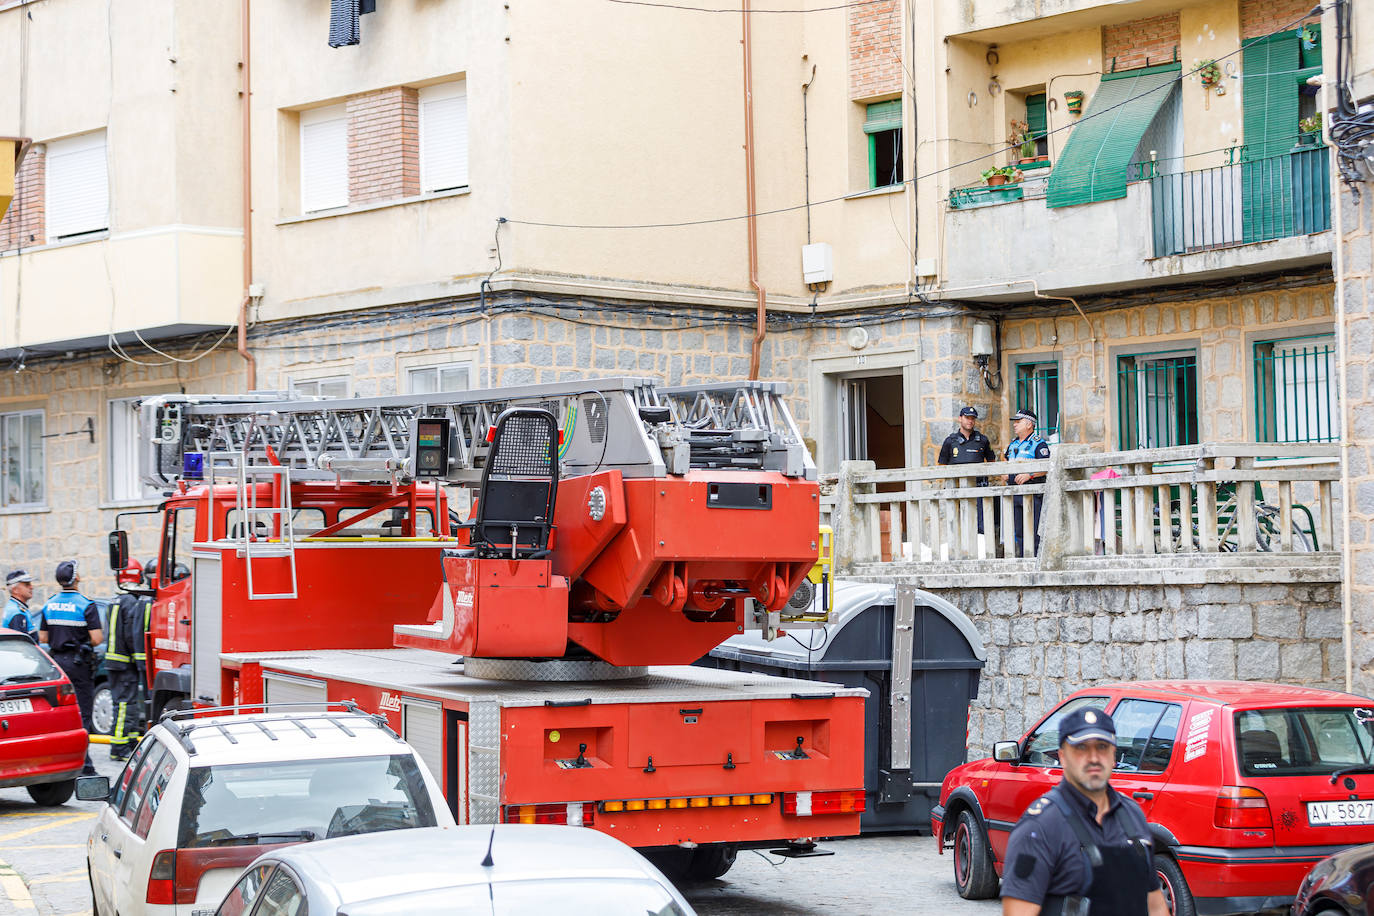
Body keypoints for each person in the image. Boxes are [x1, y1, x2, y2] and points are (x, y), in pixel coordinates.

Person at [1000, 708, 1168, 916]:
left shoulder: (1132, 815)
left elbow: (1155, 906)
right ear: (1062, 756)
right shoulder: (1040, 827)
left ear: (1114, 755)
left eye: (1102, 747)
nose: (1094, 757)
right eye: (1081, 748)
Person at [38, 560, 104, 775]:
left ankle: (60, 760)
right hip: (79, 664)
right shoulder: (86, 604)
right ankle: (84, 764)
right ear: (76, 578)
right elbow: (97, 638)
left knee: (62, 713)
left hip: (57, 664)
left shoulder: (49, 604)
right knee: (83, 713)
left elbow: (43, 637)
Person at [106, 578, 152, 761]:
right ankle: (119, 747)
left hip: (115, 660)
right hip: (125, 662)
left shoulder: (115, 600)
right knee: (124, 705)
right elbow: (131, 633)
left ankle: (130, 742)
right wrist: (139, 655)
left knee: (128, 705)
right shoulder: (130, 602)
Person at [937, 406, 998, 539]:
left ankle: (981, 553)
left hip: (979, 488)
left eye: (972, 418)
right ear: (960, 419)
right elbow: (942, 465)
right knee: (956, 522)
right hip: (956, 489)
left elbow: (991, 462)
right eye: (967, 418)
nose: (970, 421)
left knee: (981, 524)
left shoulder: (982, 440)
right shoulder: (950, 441)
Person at [1006, 409, 1051, 557]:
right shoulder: (1012, 445)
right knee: (1018, 531)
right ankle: (1022, 559)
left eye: (1018, 422)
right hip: (1015, 494)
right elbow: (1006, 462)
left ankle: (1035, 560)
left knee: (1034, 529)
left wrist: (1029, 475)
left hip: (1033, 495)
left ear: (1029, 424)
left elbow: (1047, 468)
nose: (1015, 425)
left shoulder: (1038, 444)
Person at [1, 569, 36, 642]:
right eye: (27, 585)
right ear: (15, 590)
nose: (31, 587)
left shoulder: (16, 607)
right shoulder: (17, 612)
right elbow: (21, 645)